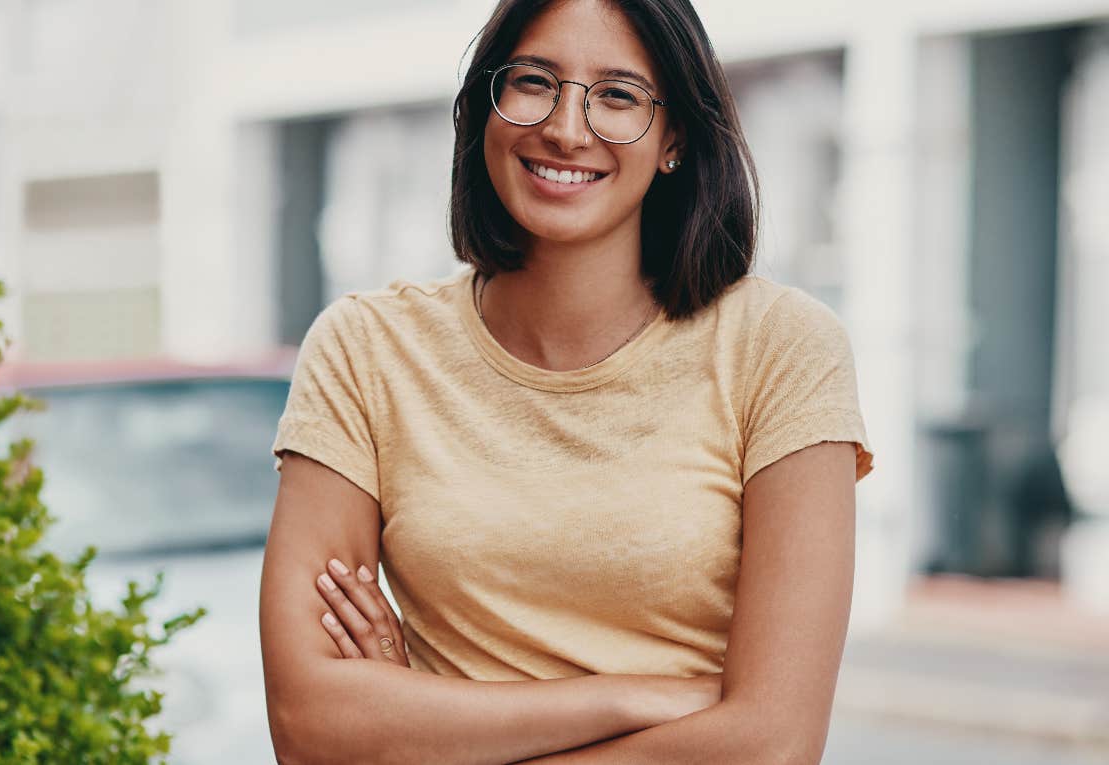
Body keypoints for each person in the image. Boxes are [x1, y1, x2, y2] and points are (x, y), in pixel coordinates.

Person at [258, 0, 874, 762]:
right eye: (532, 81)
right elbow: (309, 722)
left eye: (618, 95)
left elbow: (772, 743)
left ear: (674, 134)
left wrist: (425, 726)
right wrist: (626, 695)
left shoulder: (782, 349)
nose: (566, 128)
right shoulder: (365, 350)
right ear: (486, 103)